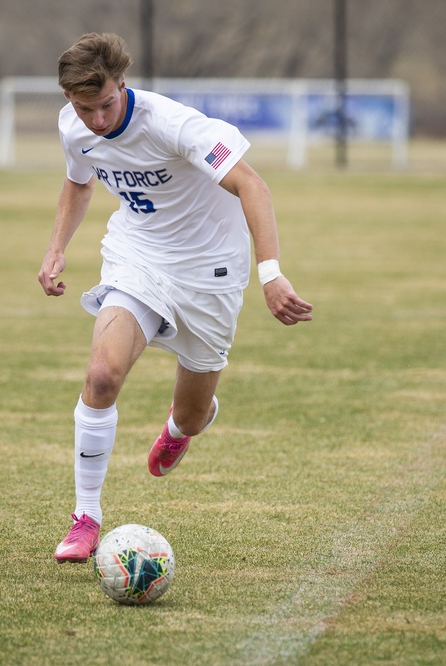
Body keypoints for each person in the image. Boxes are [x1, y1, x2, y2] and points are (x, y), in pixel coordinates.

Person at [37, 33, 314, 563]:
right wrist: (55, 249)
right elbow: (79, 182)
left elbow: (252, 186)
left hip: (210, 270)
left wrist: (271, 273)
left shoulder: (175, 125)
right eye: (83, 107)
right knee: (101, 375)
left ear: (124, 84)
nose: (95, 120)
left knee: (191, 412)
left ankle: (182, 425)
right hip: (138, 256)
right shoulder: (73, 125)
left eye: (105, 105)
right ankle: (86, 517)